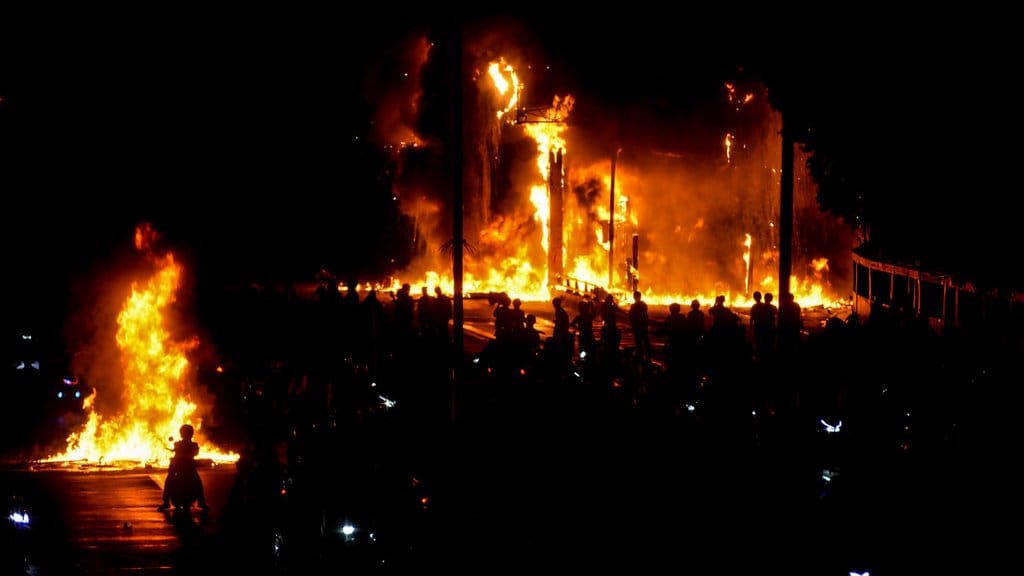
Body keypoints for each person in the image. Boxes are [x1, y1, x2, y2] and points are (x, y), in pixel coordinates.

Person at [158, 424, 208, 511]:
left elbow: (192, 453)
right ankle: (201, 502)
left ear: (181, 434)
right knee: (197, 481)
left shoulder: (179, 444)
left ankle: (166, 502)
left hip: (184, 466)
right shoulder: (191, 445)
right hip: (181, 466)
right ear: (191, 434)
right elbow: (195, 453)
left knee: (169, 480)